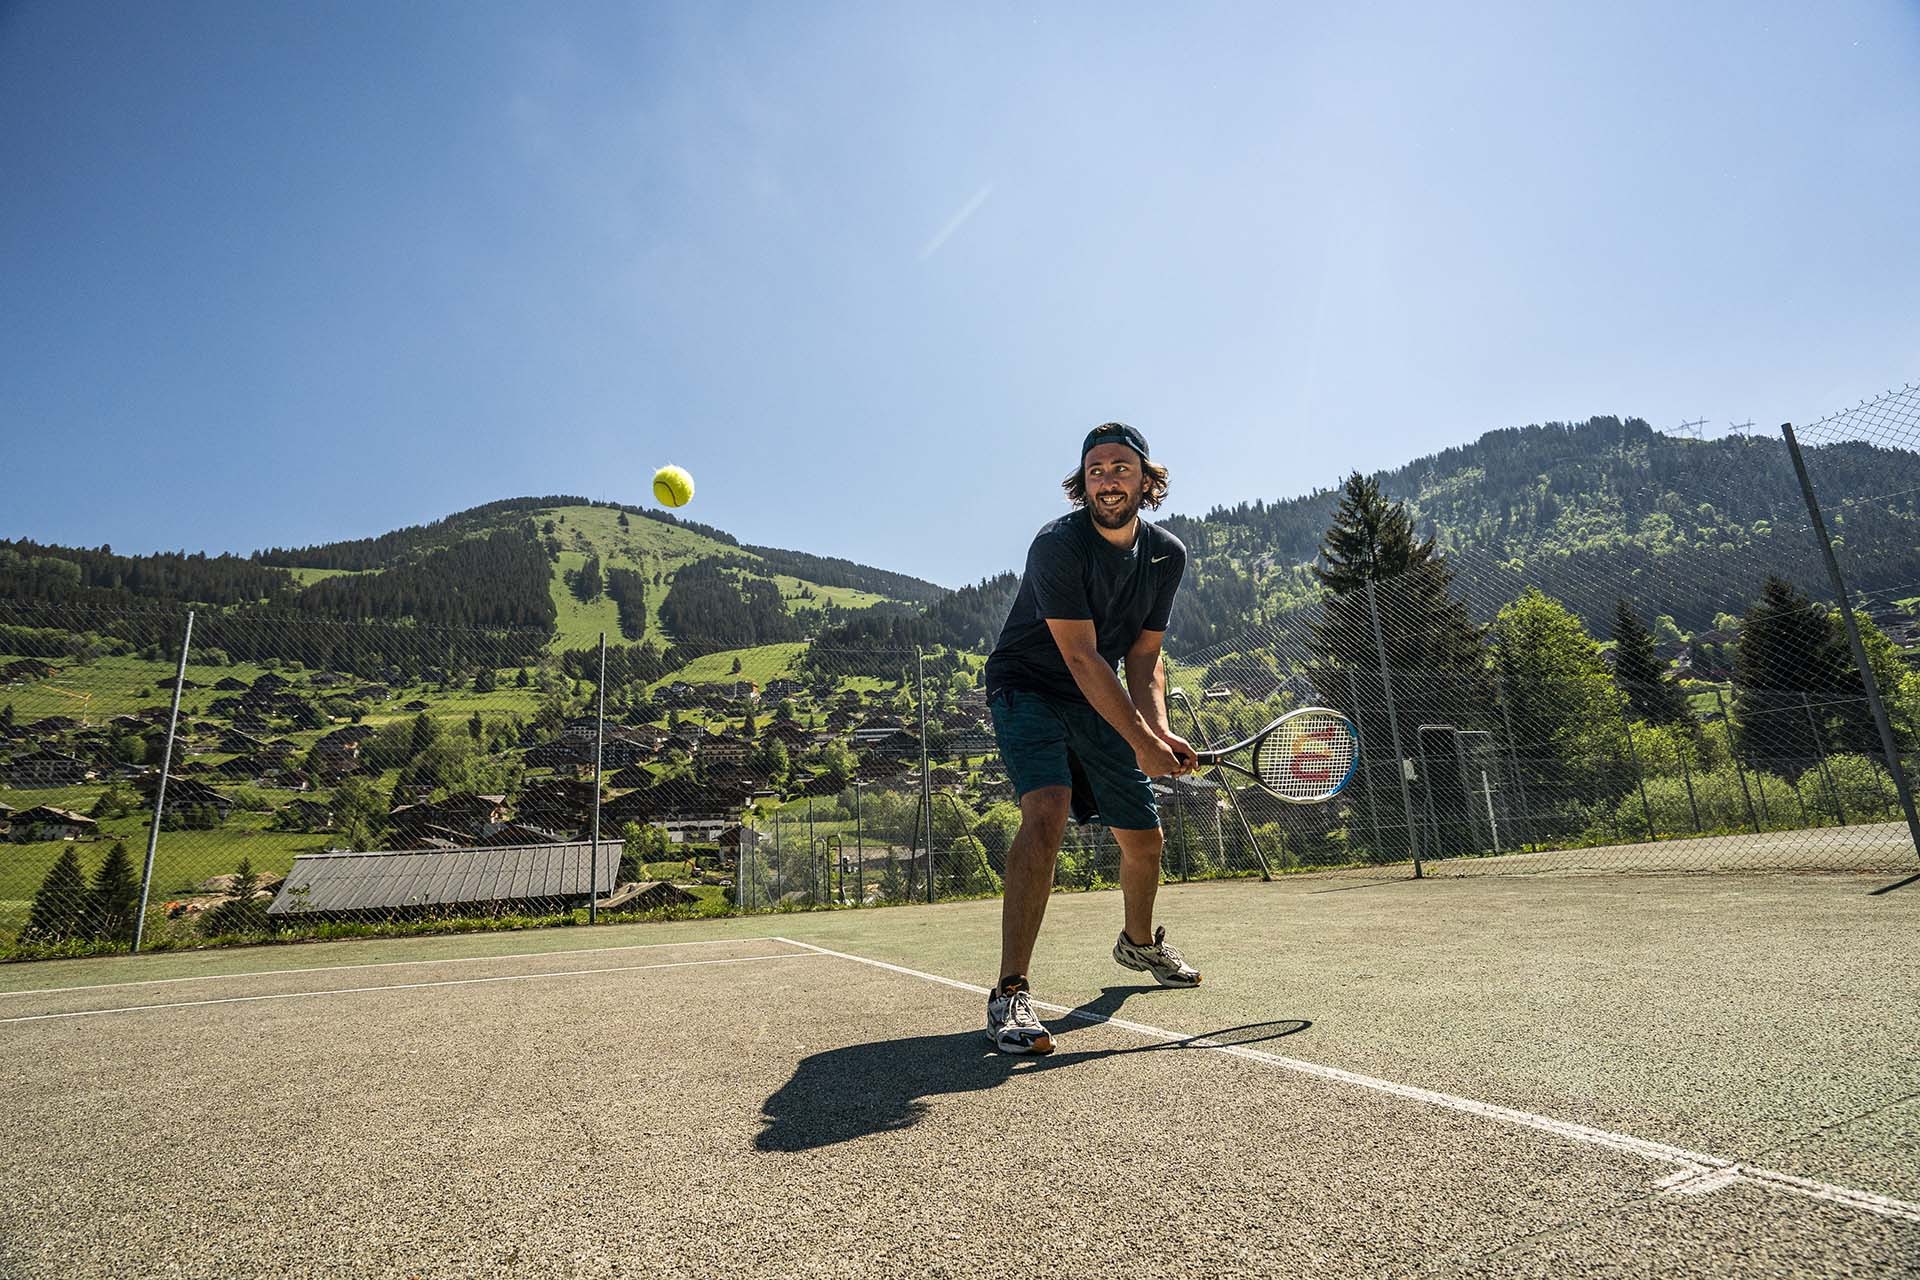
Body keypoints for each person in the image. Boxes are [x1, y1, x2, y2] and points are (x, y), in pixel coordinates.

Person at [981, 422, 1201, 1055]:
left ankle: (1138, 945)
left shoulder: (1166, 555)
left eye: (1121, 468)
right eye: (1096, 469)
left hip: (1097, 691)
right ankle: (1010, 991)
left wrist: (1156, 728)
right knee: (1045, 810)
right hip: (1029, 685)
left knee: (1145, 838)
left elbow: (1145, 654)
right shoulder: (1058, 546)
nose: (1108, 479)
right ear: (1083, 483)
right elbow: (1080, 656)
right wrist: (1140, 742)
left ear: (1146, 479)